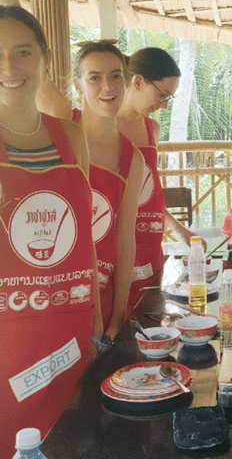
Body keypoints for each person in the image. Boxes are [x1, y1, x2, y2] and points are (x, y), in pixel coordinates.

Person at [0, 4, 101, 456]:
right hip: (8, 344)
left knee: (75, 442)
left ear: (44, 58)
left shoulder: (71, 136)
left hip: (71, 333)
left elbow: (85, 242)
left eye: (22, 52)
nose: (9, 67)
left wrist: (97, 324)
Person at [116, 47, 202, 311]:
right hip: (118, 247)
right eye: (162, 94)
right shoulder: (101, 127)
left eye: (169, 98)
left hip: (151, 245)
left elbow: (150, 193)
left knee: (150, 314)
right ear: (138, 81)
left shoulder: (151, 129)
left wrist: (179, 230)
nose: (164, 104)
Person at [67, 41, 143, 340]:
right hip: (58, 295)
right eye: (94, 77)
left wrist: (117, 319)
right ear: (77, 85)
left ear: (125, 83)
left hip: (103, 296)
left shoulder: (131, 158)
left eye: (115, 76)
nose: (106, 86)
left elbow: (125, 243)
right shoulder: (61, 132)